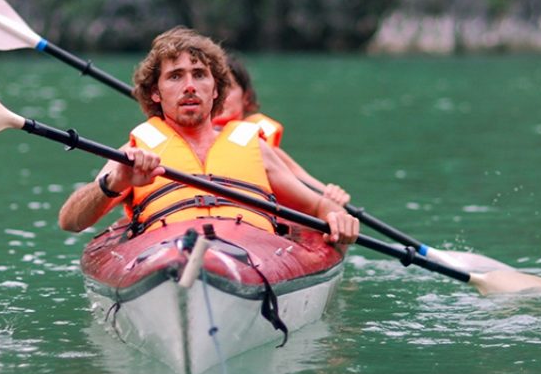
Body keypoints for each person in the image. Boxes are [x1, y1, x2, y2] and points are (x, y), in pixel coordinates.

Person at [58, 26, 359, 246]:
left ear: (215, 90)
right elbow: (70, 221)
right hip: (166, 255)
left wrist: (338, 217)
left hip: (251, 257)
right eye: (175, 76)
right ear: (155, 92)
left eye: (200, 74)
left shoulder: (255, 147)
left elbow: (320, 207)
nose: (189, 86)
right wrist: (116, 182)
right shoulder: (134, 154)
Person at [212, 54, 351, 206]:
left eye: (228, 87)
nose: (220, 95)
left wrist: (331, 195)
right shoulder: (186, 139)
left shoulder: (258, 145)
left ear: (246, 97)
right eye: (215, 88)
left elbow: (298, 176)